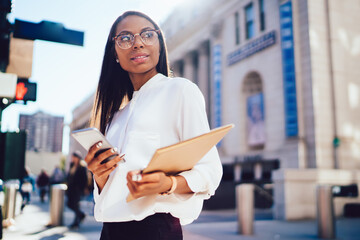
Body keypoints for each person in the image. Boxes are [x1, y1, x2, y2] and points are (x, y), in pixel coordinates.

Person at [84, 11, 222, 240]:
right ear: (115, 53)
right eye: (125, 38)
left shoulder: (180, 90)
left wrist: (168, 183)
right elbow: (106, 197)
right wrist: (99, 176)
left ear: (159, 45)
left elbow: (210, 171)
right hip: (109, 231)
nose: (137, 43)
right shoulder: (115, 117)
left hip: (155, 230)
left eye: (147, 34)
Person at [66, 150, 88, 229]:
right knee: (69, 204)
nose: (73, 159)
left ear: (78, 158)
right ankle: (81, 215)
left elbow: (84, 179)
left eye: (74, 157)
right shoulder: (72, 165)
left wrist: (83, 189)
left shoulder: (82, 167)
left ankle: (76, 223)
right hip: (71, 189)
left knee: (75, 205)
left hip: (77, 189)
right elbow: (69, 176)